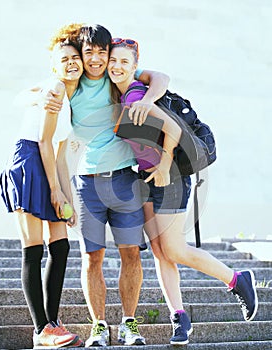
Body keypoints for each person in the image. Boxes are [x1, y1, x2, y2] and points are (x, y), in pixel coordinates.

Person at [107, 38, 259, 346]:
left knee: (174, 250)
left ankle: (237, 279)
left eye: (125, 62)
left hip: (170, 176)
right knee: (161, 254)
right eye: (114, 61)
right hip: (146, 177)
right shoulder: (121, 93)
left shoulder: (136, 95)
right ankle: (179, 317)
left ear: (135, 66)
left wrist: (163, 165)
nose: (117, 67)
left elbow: (173, 129)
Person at [43, 23, 170, 347]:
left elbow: (160, 79)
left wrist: (148, 101)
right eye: (90, 53)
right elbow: (48, 85)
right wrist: (41, 91)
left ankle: (129, 324)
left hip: (126, 179)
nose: (97, 59)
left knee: (131, 254)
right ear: (81, 56)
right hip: (86, 184)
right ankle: (98, 326)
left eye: (103, 52)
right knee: (92, 257)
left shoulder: (116, 79)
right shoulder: (72, 85)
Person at [0, 28, 85, 348]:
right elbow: (44, 143)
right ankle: (41, 329)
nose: (71, 62)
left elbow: (61, 157)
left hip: (48, 163)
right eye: (63, 59)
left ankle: (52, 321)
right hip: (29, 160)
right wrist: (55, 190)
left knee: (60, 246)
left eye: (75, 57)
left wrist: (68, 196)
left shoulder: (72, 100)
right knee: (34, 247)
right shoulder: (55, 87)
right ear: (54, 66)